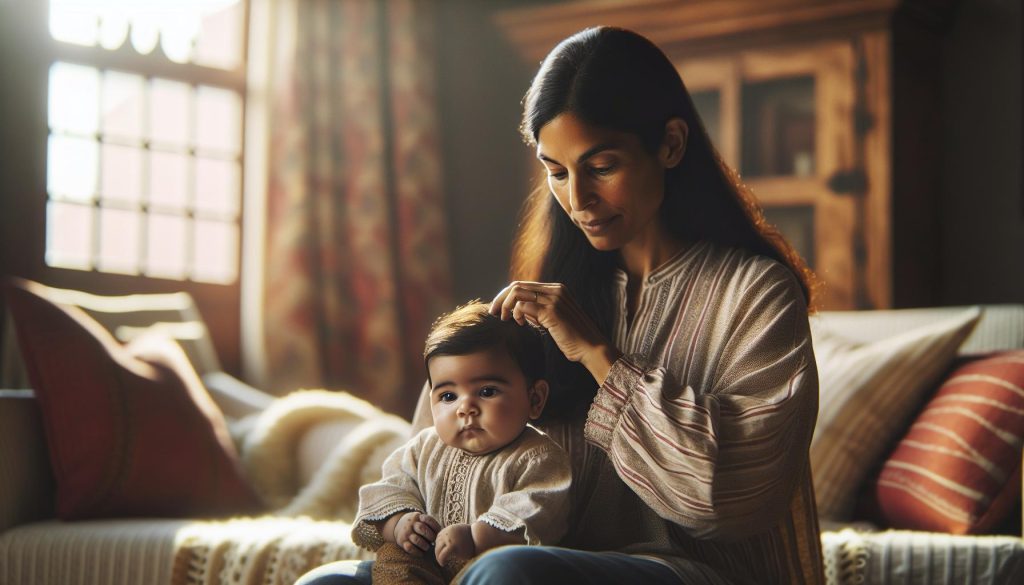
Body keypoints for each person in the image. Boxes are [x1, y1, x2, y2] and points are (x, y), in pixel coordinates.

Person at [298, 25, 822, 585]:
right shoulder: (541, 296)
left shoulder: (756, 293)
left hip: (685, 571)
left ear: (670, 143)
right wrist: (413, 526)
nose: (577, 199)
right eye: (556, 172)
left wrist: (599, 355)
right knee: (325, 583)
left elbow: (725, 499)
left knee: (505, 572)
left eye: (601, 167)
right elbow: (439, 448)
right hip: (515, 560)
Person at [344, 301, 570, 585]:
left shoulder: (538, 457)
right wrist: (401, 523)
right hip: (426, 566)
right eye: (448, 397)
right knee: (395, 552)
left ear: (534, 399)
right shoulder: (423, 448)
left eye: (487, 391)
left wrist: (475, 538)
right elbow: (388, 492)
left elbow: (537, 513)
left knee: (504, 566)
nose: (465, 408)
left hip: (489, 569)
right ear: (432, 402)